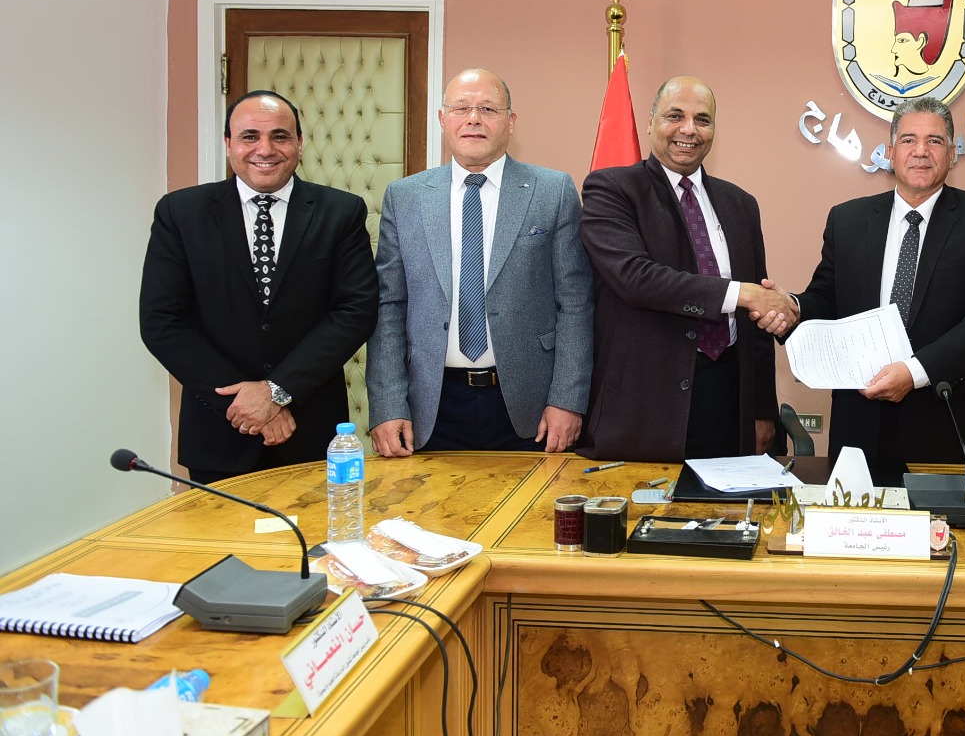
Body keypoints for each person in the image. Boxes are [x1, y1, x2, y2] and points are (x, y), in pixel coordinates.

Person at [139, 91, 378, 484]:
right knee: (220, 529)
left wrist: (278, 391)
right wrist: (245, 403)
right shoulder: (180, 213)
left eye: (279, 136)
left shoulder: (342, 212)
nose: (265, 149)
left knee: (320, 527)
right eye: (249, 136)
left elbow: (355, 311)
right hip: (219, 432)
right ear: (228, 144)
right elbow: (161, 321)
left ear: (299, 143)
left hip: (309, 430)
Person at [791, 96, 965, 484]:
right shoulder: (848, 219)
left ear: (952, 153)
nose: (921, 151)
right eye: (909, 140)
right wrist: (790, 307)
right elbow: (826, 299)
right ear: (891, 151)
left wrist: (914, 372)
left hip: (951, 423)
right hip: (862, 424)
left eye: (935, 141)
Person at [365, 69, 592, 456]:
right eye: (461, 108)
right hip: (429, 405)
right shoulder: (405, 197)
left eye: (488, 108)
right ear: (443, 119)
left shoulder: (552, 191)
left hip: (531, 406)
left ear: (510, 122)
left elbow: (575, 303)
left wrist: (567, 400)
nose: (473, 118)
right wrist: (387, 405)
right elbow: (389, 305)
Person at [579, 75, 791, 461]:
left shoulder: (741, 204)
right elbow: (636, 278)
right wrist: (740, 293)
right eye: (675, 116)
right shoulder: (611, 189)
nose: (689, 130)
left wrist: (761, 411)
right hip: (646, 406)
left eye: (702, 119)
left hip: (728, 404)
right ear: (650, 122)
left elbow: (757, 324)